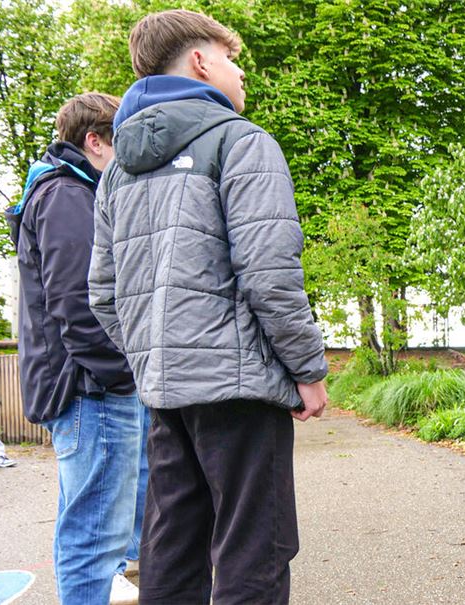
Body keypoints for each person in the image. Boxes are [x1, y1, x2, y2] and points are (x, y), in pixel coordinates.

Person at [88, 10, 328, 604]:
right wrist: (307, 368)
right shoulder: (240, 142)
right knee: (255, 549)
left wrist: (156, 356)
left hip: (167, 396)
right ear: (200, 62)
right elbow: (270, 275)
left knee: (172, 550)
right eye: (232, 58)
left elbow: (103, 294)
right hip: (240, 391)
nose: (241, 72)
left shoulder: (118, 171)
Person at [5, 93, 146, 604]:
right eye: (121, 145)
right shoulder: (67, 195)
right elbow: (79, 303)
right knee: (94, 537)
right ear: (94, 141)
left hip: (84, 386)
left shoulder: (57, 190)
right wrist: (123, 374)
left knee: (86, 525)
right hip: (91, 389)